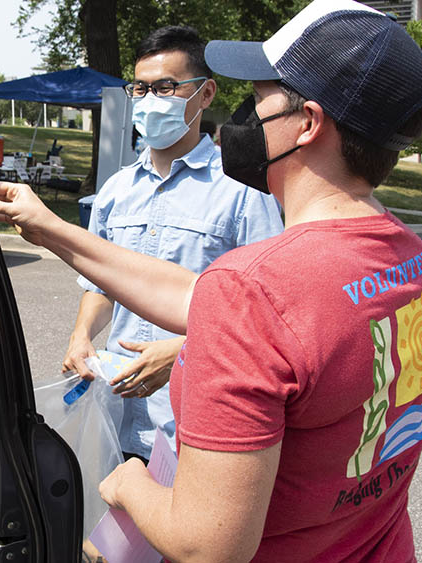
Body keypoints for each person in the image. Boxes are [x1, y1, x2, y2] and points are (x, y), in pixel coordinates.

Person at [0, 0, 422, 561]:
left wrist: (126, 484)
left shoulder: (255, 291)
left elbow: (208, 546)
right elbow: (205, 299)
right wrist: (48, 227)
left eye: (260, 97)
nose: (245, 118)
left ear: (307, 123)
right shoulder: (408, 257)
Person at [64, 26, 282, 461]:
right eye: (141, 88)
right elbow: (102, 284)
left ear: (205, 94)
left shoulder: (242, 190)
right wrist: (81, 335)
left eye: (165, 87)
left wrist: (185, 350)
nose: (150, 100)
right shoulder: (117, 190)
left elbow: (268, 310)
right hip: (117, 412)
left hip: (196, 420)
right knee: (110, 523)